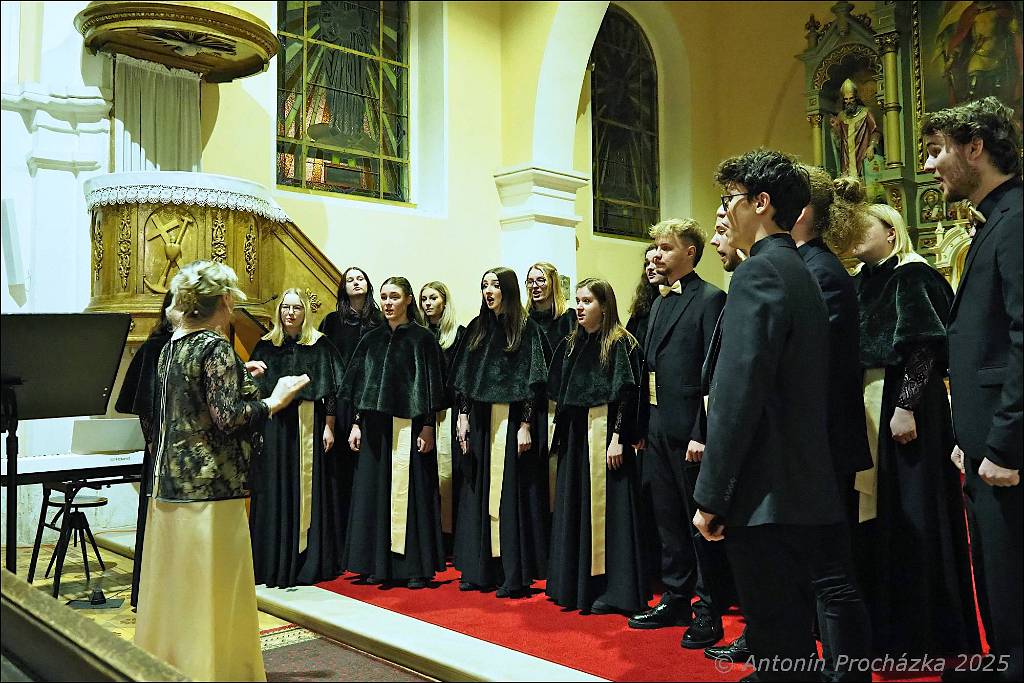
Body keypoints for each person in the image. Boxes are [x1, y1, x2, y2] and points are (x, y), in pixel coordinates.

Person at [694, 150, 841, 682]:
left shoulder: (757, 273)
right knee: (792, 641)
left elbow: (737, 394)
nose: (725, 211)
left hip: (765, 491)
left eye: (730, 199)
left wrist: (712, 496)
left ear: (762, 203)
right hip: (799, 479)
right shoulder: (797, 269)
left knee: (780, 644)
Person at [135, 260, 308, 681]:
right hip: (213, 487)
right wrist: (276, 399)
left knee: (178, 587)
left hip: (170, 482)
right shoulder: (214, 347)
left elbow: (189, 403)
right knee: (213, 588)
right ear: (225, 300)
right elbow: (228, 418)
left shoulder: (171, 347)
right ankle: (216, 671)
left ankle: (171, 666)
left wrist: (237, 375)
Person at [851, 203, 980, 658]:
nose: (852, 233)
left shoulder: (912, 275)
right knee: (879, 518)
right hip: (870, 401)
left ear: (891, 231)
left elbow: (925, 344)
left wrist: (905, 406)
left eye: (862, 225)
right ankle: (885, 628)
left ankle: (924, 631)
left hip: (907, 407)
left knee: (914, 512)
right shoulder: (860, 281)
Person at [924, 96, 1022, 681]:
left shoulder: (1014, 222)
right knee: (995, 572)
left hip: (1009, 448)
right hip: (987, 440)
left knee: (1012, 580)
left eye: (938, 151)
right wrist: (971, 433)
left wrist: (1006, 443)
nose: (932, 166)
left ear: (975, 148)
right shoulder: (996, 222)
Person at [629, 218, 729, 652]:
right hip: (656, 427)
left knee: (696, 524)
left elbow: (713, 375)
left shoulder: (711, 299)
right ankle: (674, 597)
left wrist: (701, 432)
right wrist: (640, 428)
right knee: (667, 518)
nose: (656, 255)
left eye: (665, 247)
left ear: (690, 252)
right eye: (654, 248)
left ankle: (708, 610)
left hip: (691, 431)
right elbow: (649, 371)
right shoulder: (659, 301)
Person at [546, 278, 647, 616]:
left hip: (604, 433)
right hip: (578, 435)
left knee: (607, 511)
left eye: (587, 301)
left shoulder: (620, 343)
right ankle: (575, 584)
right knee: (576, 506)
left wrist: (618, 438)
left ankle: (611, 588)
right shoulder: (573, 343)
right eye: (577, 300)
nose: (580, 307)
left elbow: (625, 393)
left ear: (604, 306)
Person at [450, 267, 550, 598]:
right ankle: (480, 570)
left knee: (510, 496)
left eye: (494, 285)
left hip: (511, 422)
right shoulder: (477, 329)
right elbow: (463, 379)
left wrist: (524, 425)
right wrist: (463, 416)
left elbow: (533, 385)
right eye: (484, 285)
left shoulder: (526, 329)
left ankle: (511, 572)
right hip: (479, 421)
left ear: (507, 289)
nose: (488, 290)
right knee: (477, 491)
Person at [342, 277, 448, 589]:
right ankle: (376, 565)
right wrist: (357, 423)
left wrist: (428, 426)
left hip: (410, 428)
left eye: (395, 297)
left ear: (408, 300)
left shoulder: (423, 339)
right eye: (384, 297)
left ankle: (412, 566)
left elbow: (433, 388)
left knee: (412, 494)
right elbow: (361, 386)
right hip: (375, 428)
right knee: (374, 493)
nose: (388, 303)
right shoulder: (371, 339)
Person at [247, 288, 347, 588]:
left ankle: (306, 560)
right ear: (279, 312)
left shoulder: (319, 345)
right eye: (286, 308)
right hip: (275, 426)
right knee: (275, 488)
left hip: (308, 424)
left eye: (297, 308)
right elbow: (251, 389)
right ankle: (273, 559)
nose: (290, 313)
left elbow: (330, 390)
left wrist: (329, 425)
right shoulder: (265, 346)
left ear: (306, 312)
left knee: (307, 490)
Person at [114, 291, 177, 609]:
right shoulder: (155, 347)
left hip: (185, 453)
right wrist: (154, 443)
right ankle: (150, 596)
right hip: (160, 450)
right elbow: (145, 406)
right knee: (156, 521)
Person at [317, 266, 384, 567]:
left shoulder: (380, 320)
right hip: (340, 402)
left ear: (368, 284)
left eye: (360, 278)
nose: (355, 283)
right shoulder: (332, 321)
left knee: (366, 471)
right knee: (339, 471)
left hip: (371, 401)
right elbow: (326, 364)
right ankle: (342, 542)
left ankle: (367, 543)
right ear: (343, 288)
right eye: (349, 280)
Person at [624, 244, 665, 589]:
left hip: (670, 415)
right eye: (647, 262)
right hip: (643, 414)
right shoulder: (639, 313)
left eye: (657, 260)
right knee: (647, 497)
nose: (652, 266)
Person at [420, 280, 467, 545]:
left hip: (448, 412)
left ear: (444, 302)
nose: (428, 304)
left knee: (449, 474)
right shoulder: (418, 335)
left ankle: (451, 535)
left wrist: (463, 414)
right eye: (424, 299)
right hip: (423, 414)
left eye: (433, 298)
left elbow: (461, 380)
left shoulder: (458, 335)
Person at [830, 78, 881, 178]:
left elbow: (876, 132)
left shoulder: (866, 113)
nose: (849, 102)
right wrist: (835, 128)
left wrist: (872, 145)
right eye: (846, 99)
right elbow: (838, 139)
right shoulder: (841, 116)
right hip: (847, 157)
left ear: (856, 98)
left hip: (861, 153)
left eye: (851, 98)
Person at [525, 261, 577, 350]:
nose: (534, 286)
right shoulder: (524, 319)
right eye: (530, 281)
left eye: (540, 280)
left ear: (553, 283)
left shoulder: (568, 318)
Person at [624, 244, 663, 352]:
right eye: (647, 263)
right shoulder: (644, 301)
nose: (649, 267)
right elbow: (629, 340)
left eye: (655, 262)